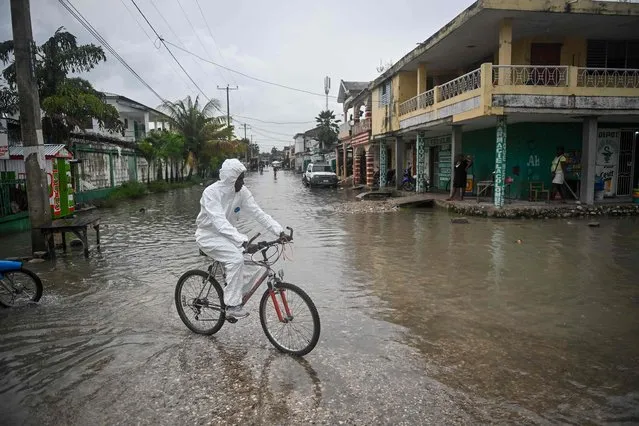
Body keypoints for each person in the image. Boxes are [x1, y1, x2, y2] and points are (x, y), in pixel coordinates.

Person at [195, 158, 289, 319]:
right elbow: (219, 222)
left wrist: (279, 231)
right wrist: (241, 240)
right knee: (236, 259)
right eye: (240, 178)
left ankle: (232, 293)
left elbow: (258, 213)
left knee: (254, 266)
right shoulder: (211, 193)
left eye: (243, 178)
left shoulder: (242, 192)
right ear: (230, 179)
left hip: (230, 236)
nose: (243, 182)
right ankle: (231, 306)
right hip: (208, 236)